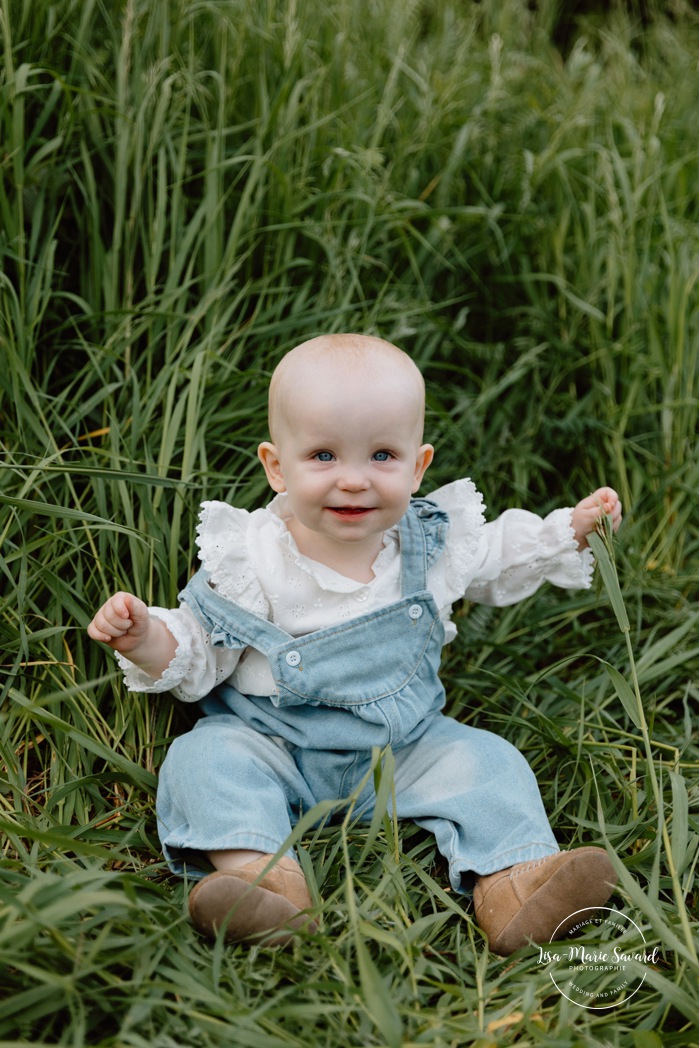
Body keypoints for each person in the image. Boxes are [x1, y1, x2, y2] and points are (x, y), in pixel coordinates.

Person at [88, 334, 623, 954]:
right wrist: (147, 636)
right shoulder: (251, 557)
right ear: (276, 466)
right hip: (274, 743)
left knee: (491, 762)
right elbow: (202, 651)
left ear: (418, 467)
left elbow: (499, 556)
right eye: (322, 455)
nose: (353, 481)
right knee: (205, 762)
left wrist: (572, 531)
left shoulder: (428, 542)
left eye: (382, 456)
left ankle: (518, 886)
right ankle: (262, 884)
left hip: (405, 748)